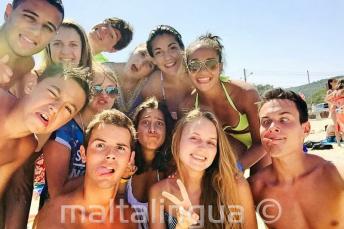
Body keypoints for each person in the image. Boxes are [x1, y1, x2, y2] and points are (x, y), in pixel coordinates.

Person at [2, 20, 94, 229]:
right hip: (21, 164)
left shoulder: (83, 93)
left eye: (73, 45)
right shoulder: (31, 78)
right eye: (57, 43)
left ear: (83, 50)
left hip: (34, 168)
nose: (65, 51)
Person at [249, 88, 344, 229]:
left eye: (284, 119)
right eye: (266, 121)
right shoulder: (255, 188)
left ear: (305, 129)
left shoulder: (337, 176)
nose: (272, 127)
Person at [149, 109, 257, 229]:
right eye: (194, 138)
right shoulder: (160, 192)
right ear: (177, 140)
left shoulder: (235, 185)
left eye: (211, 142)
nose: (202, 148)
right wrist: (181, 226)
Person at [34, 109, 137, 229]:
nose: (110, 154)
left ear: (130, 159)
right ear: (83, 154)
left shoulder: (128, 216)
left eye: (120, 148)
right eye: (100, 145)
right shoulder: (55, 216)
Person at [0, 63, 90, 199]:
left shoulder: (26, 145)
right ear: (31, 85)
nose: (56, 108)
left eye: (68, 109)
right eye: (53, 93)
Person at [180, 33, 266, 173]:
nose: (203, 71)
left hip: (260, 147)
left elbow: (261, 143)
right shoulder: (188, 105)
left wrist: (237, 168)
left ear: (220, 66)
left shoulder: (245, 93)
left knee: (259, 185)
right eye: (194, 65)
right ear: (187, 70)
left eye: (210, 64)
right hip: (229, 151)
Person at [124, 97, 174, 229]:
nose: (152, 129)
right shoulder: (124, 163)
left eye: (159, 123)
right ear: (135, 128)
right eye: (145, 122)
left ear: (166, 131)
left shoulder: (172, 170)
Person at [0, 0, 64, 89]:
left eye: (48, 27)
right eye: (29, 17)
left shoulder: (27, 64)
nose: (36, 32)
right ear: (9, 12)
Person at [141, 25, 193, 120]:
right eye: (159, 52)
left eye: (172, 48)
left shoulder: (198, 73)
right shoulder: (153, 85)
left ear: (182, 49)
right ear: (154, 60)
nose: (167, 57)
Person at [103, 43, 155, 116]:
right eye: (142, 54)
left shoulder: (147, 87)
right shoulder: (103, 71)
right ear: (134, 50)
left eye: (150, 64)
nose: (140, 63)